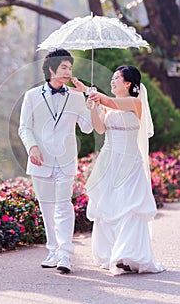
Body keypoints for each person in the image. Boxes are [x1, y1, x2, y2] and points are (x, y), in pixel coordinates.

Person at [73, 65, 165, 275]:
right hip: (109, 161)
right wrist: (93, 107)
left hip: (130, 162)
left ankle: (128, 255)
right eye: (112, 78)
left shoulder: (134, 103)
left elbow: (111, 101)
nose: (112, 81)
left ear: (128, 83)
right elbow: (100, 128)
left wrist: (88, 90)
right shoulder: (108, 106)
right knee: (109, 207)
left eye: (116, 78)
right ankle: (111, 253)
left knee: (130, 207)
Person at [18, 49, 93, 274]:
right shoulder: (31, 96)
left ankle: (65, 254)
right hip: (41, 161)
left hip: (66, 160)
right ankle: (52, 250)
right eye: (64, 68)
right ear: (51, 69)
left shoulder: (76, 96)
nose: (68, 72)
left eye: (70, 68)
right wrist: (32, 147)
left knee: (63, 205)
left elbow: (88, 128)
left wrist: (89, 99)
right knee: (47, 207)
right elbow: (24, 127)